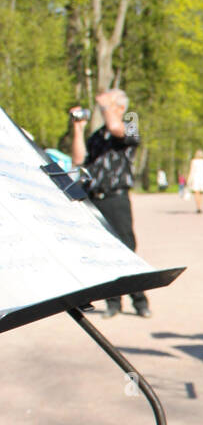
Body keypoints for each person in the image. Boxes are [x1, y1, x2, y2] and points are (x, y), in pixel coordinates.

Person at [69, 89, 151, 319]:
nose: (104, 109)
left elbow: (117, 129)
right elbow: (78, 160)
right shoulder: (97, 135)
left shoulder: (130, 121)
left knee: (127, 249)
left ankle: (140, 301)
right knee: (103, 252)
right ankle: (113, 302)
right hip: (95, 198)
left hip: (117, 197)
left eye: (110, 106)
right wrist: (78, 128)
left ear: (120, 108)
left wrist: (106, 106)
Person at [186, 149, 203, 214]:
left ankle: (198, 207)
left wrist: (189, 180)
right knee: (201, 193)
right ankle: (200, 206)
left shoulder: (194, 161)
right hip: (202, 178)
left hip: (196, 178)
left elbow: (191, 171)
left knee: (196, 193)